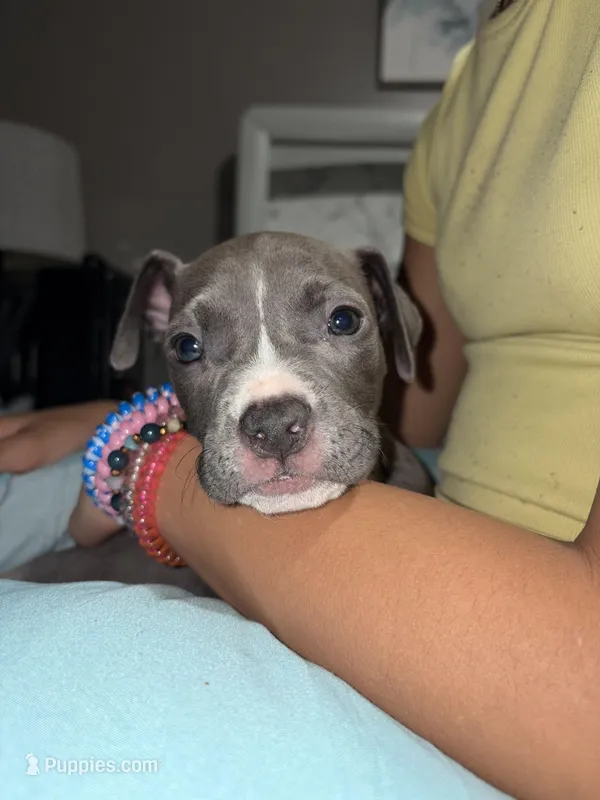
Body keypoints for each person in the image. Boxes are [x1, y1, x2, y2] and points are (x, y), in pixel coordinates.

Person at [2, 1, 600, 798]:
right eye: (188, 344)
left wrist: (150, 466)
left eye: (341, 320)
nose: (275, 412)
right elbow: (415, 404)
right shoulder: (471, 84)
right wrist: (138, 420)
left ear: (383, 314)